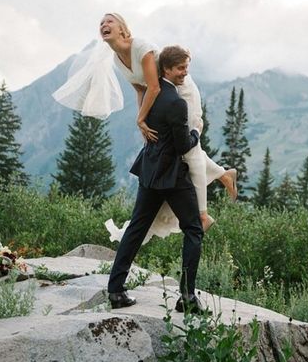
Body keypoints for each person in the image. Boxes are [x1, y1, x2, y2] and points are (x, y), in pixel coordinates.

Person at [99, 13, 237, 237]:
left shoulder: (141, 47)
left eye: (109, 21)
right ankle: (224, 175)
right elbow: (140, 89)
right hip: (160, 96)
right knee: (176, 146)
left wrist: (141, 119)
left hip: (180, 92)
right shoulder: (117, 59)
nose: (104, 25)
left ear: (122, 29)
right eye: (102, 23)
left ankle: (202, 214)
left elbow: (153, 87)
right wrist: (143, 118)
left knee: (190, 151)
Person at [107, 45, 205, 313]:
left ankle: (115, 290)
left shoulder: (154, 93)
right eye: (181, 68)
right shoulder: (175, 102)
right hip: (172, 175)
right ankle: (187, 297)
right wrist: (197, 131)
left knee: (136, 228)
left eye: (187, 67)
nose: (185, 73)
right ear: (167, 69)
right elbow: (183, 146)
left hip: (150, 170)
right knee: (194, 230)